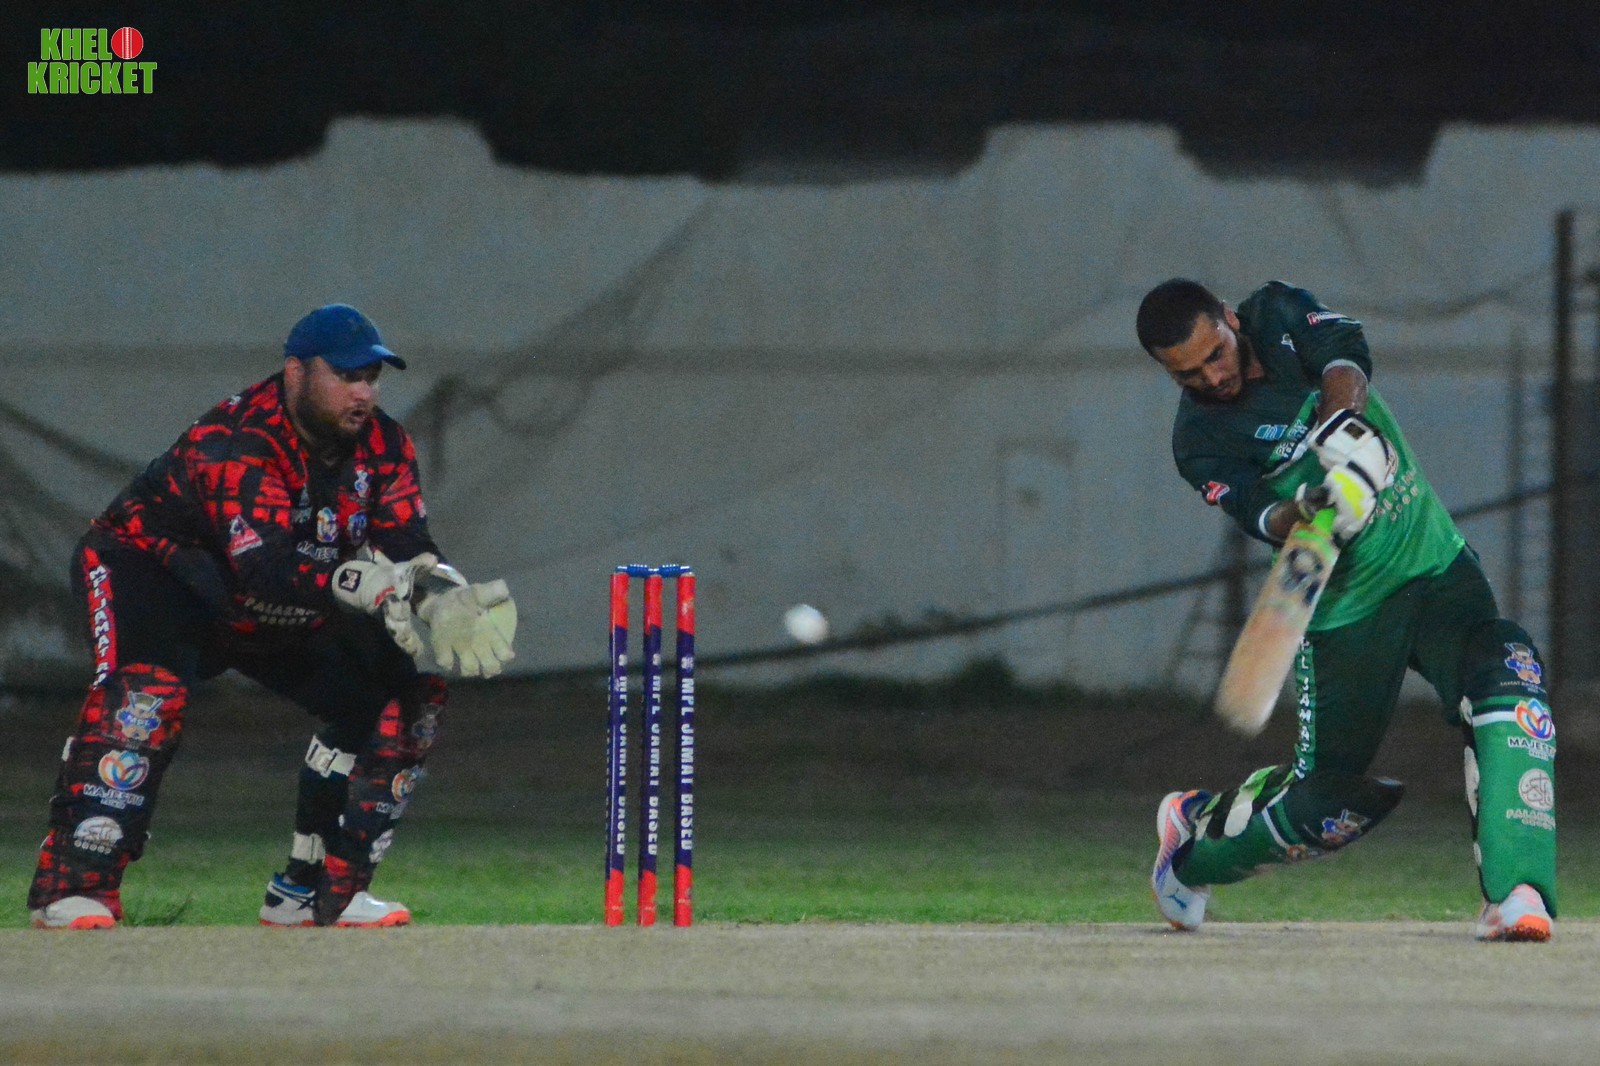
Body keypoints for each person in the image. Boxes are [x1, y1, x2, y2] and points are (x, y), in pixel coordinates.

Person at [28, 304, 517, 930]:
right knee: (145, 696)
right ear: (296, 371)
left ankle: (314, 893)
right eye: (347, 376)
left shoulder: (384, 444)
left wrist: (439, 594)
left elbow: (405, 541)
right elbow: (265, 568)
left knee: (403, 699)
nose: (364, 393)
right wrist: (359, 583)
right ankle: (75, 887)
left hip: (273, 594)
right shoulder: (239, 440)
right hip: (155, 572)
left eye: (371, 378)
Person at [1136, 279, 1556, 942]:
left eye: (1214, 354)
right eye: (1187, 375)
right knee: (1323, 806)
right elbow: (1261, 514)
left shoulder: (1277, 312)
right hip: (1345, 612)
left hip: (1435, 564)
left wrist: (1341, 428)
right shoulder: (1199, 441)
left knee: (1508, 679)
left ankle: (1517, 894)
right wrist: (1306, 509)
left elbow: (1344, 354)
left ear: (1228, 318)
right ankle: (1193, 843)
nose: (1211, 378)